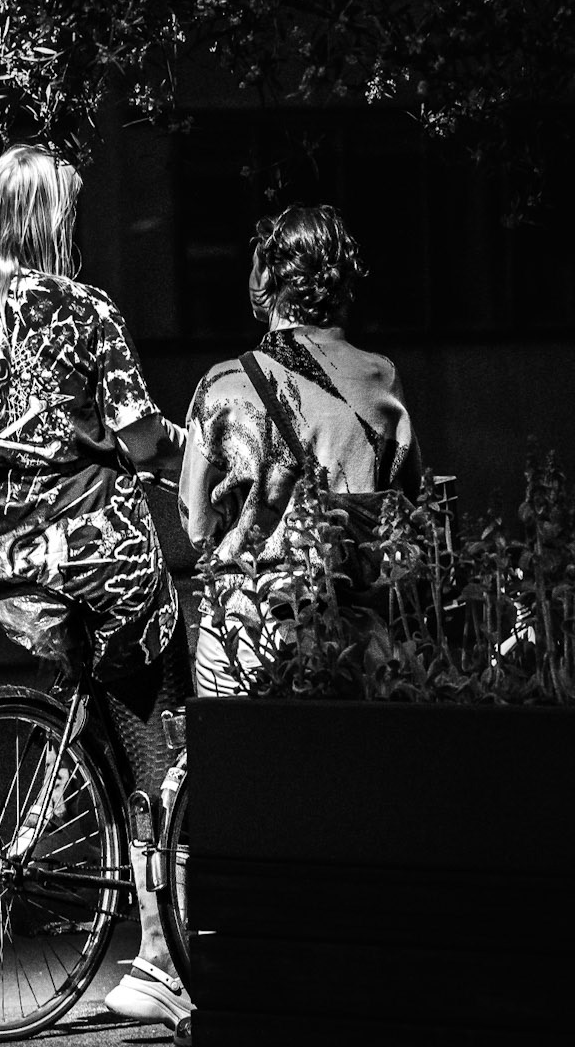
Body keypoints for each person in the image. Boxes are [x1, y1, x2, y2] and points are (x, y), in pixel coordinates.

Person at [0, 143, 193, 1032]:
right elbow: (140, 436)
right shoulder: (83, 310)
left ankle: (103, 853)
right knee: (159, 738)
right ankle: (161, 955)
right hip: (103, 559)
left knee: (96, 707)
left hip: (9, 575)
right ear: (49, 220)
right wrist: (193, 453)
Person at [179, 203, 422, 695]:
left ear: (267, 279)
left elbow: (198, 531)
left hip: (248, 632)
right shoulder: (382, 377)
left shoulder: (223, 385)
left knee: (238, 768)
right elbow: (408, 500)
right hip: (353, 636)